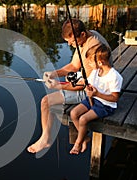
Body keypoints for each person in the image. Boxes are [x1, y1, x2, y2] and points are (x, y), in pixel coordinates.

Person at [27, 18, 111, 155]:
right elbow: (74, 66)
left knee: (46, 102)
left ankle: (45, 139)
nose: (70, 45)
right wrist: (53, 74)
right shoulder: (90, 35)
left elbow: (84, 85)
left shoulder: (93, 48)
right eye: (68, 42)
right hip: (92, 82)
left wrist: (58, 86)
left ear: (83, 34)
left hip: (95, 91)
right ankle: (76, 138)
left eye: (72, 42)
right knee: (67, 79)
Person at [69, 44, 123, 154]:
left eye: (90, 61)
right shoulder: (95, 72)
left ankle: (78, 143)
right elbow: (89, 84)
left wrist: (97, 94)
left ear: (100, 62)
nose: (88, 64)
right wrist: (88, 89)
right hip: (93, 99)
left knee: (83, 119)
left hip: (106, 105)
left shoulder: (115, 77)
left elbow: (114, 98)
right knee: (73, 113)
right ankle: (84, 137)